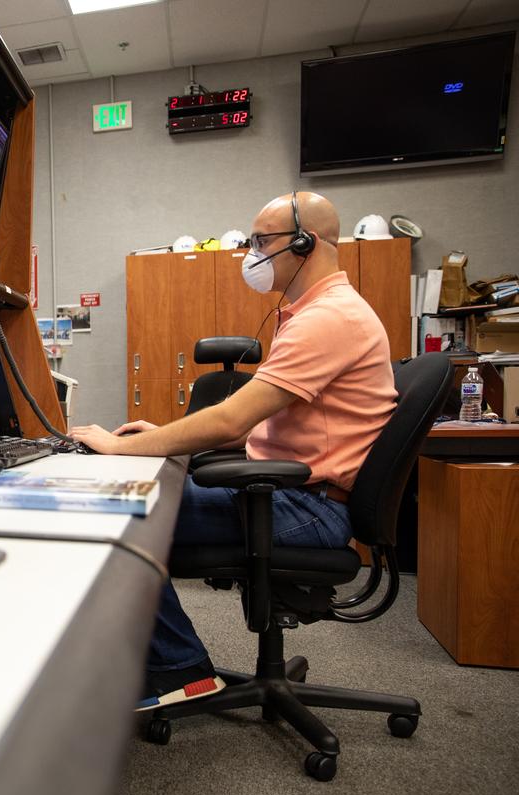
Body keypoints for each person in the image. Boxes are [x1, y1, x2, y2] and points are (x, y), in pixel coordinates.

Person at [71, 191, 397, 711]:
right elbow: (261, 426)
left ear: (304, 243)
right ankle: (160, 660)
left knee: (107, 514)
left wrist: (115, 447)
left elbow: (231, 418)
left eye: (261, 241)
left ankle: (179, 670)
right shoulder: (320, 311)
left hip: (305, 510)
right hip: (299, 496)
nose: (252, 254)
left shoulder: (329, 319)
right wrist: (161, 434)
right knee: (124, 501)